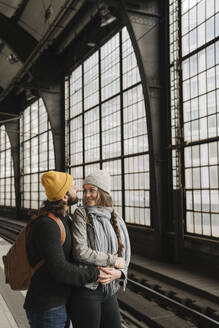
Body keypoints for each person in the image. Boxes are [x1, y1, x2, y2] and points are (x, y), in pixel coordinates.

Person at [24, 170, 103, 328]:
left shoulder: (65, 219)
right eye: (73, 186)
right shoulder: (47, 225)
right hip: (47, 307)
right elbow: (61, 270)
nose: (78, 189)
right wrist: (95, 273)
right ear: (64, 196)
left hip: (60, 303)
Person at [69, 169, 131, 328]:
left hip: (109, 290)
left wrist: (120, 272)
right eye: (85, 190)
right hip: (88, 289)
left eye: (92, 190)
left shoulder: (115, 216)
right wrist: (112, 260)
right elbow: (80, 252)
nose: (86, 195)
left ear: (102, 192)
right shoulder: (81, 214)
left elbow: (123, 254)